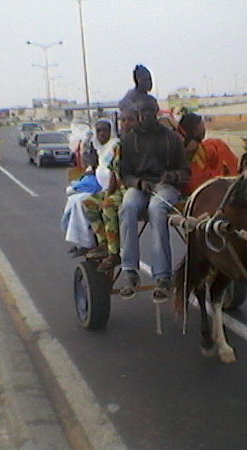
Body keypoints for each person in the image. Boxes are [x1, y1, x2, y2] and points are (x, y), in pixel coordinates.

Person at [118, 94, 189, 302]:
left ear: (156, 113)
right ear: (139, 115)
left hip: (165, 187)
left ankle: (162, 277)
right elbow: (125, 174)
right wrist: (139, 183)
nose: (147, 115)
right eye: (143, 112)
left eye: (151, 111)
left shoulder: (171, 138)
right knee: (128, 206)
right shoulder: (129, 140)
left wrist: (172, 176)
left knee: (157, 209)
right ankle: (130, 271)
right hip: (141, 186)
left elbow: (185, 171)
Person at [82, 110, 138, 272]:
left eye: (130, 120)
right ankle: (104, 244)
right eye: (123, 120)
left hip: (134, 190)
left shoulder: (138, 143)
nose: (126, 124)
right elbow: (113, 172)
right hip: (119, 189)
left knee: (107, 205)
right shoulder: (120, 145)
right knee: (89, 203)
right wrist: (108, 193)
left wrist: (109, 197)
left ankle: (114, 253)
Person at [62, 119, 119, 257]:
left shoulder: (115, 145)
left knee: (90, 203)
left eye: (104, 130)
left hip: (112, 188)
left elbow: (113, 172)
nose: (101, 133)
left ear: (110, 131)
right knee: (76, 202)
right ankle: (84, 242)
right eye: (98, 130)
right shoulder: (99, 147)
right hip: (101, 186)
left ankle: (108, 248)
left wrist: (108, 191)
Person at [177, 112, 239, 196]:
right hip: (211, 191)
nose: (204, 129)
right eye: (201, 126)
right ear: (194, 130)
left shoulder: (210, 146)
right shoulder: (215, 145)